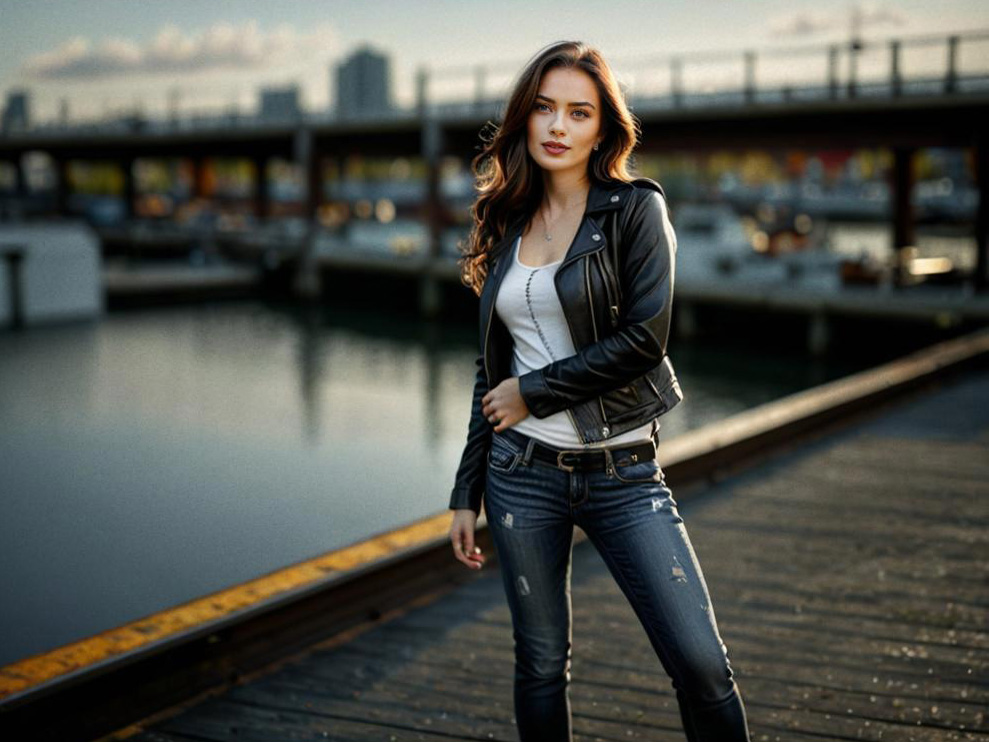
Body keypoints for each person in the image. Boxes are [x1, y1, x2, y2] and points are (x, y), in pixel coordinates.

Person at [447, 40, 752, 742]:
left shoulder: (634, 211)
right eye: (544, 108)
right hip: (519, 476)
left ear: (601, 128)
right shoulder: (506, 222)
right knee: (540, 665)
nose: (558, 126)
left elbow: (645, 340)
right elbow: (489, 372)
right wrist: (467, 491)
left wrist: (535, 393)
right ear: (524, 120)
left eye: (578, 112)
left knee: (703, 667)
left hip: (624, 475)